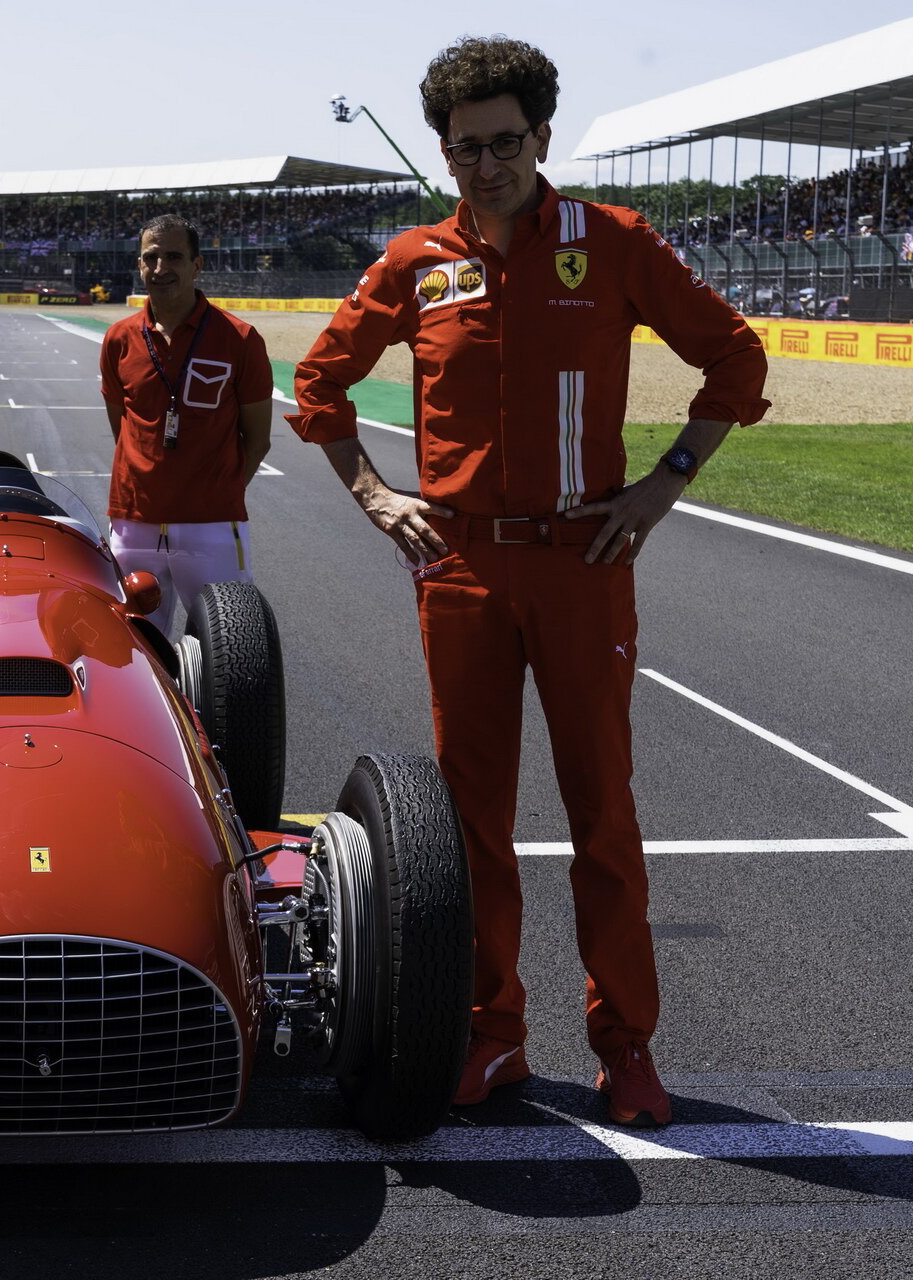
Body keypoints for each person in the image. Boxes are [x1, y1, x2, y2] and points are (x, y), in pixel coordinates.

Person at [289, 37, 768, 1128]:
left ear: (543, 136)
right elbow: (318, 388)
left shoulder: (611, 244)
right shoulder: (415, 261)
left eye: (505, 143)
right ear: (444, 154)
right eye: (465, 150)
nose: (487, 165)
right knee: (469, 818)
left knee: (603, 809)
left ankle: (625, 1041)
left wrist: (664, 482)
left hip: (584, 562)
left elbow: (734, 360)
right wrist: (373, 493)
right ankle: (490, 1028)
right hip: (458, 565)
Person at [99, 214, 273, 634]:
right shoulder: (119, 338)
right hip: (133, 523)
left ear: (198, 265)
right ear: (140, 266)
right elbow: (121, 428)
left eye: (173, 257)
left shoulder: (240, 338)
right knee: (135, 650)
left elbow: (259, 441)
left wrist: (219, 489)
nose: (160, 269)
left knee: (230, 648)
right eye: (150, 258)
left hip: (212, 524)